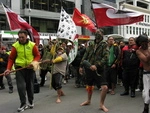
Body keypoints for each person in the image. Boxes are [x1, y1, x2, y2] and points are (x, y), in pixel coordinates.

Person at [4, 30, 40, 112]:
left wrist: (34, 62)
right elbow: (11, 58)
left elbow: (37, 55)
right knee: (21, 87)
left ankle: (31, 102)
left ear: (26, 36)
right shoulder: (15, 46)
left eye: (22, 37)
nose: (20, 39)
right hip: (20, 69)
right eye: (19, 37)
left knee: (30, 86)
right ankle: (23, 104)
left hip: (30, 69)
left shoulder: (32, 45)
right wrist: (8, 69)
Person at [79, 29, 109, 112]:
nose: (97, 33)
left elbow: (106, 57)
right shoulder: (91, 44)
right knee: (89, 85)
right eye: (96, 32)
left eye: (99, 32)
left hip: (99, 69)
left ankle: (101, 104)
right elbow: (85, 55)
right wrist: (81, 66)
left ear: (102, 34)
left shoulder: (104, 45)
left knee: (104, 87)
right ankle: (88, 100)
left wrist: (96, 65)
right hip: (89, 68)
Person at [136, 35, 150, 113]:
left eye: (146, 42)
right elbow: (145, 60)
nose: (145, 44)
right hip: (147, 74)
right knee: (146, 94)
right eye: (143, 42)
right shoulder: (139, 51)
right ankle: (146, 108)